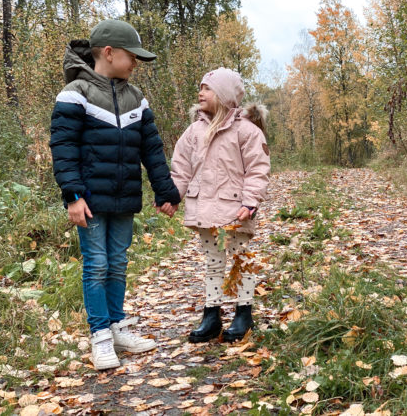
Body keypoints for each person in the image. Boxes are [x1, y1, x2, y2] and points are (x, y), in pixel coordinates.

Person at [49, 19, 181, 370]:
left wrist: (165, 191)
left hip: (124, 198)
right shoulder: (75, 93)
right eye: (132, 56)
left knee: (118, 263)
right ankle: (100, 337)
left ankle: (117, 326)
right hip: (89, 200)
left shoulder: (136, 98)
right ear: (109, 53)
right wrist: (73, 195)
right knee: (97, 265)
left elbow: (151, 149)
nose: (135, 63)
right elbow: (63, 147)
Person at [171, 67, 270, 343]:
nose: (201, 93)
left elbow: (258, 169)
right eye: (200, 88)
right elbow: (181, 168)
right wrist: (172, 197)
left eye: (207, 88)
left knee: (240, 260)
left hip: (235, 211)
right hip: (206, 211)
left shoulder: (246, 131)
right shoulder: (194, 132)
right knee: (213, 262)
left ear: (225, 96)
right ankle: (211, 314)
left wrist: (251, 201)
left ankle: (243, 312)